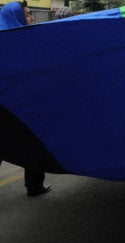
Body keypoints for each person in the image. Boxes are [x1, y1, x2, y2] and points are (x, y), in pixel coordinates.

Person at [0, 1, 51, 197]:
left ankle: (35, 185)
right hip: (21, 106)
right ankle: (34, 186)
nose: (31, 18)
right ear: (17, 16)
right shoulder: (19, 42)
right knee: (33, 143)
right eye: (28, 14)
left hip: (8, 106)